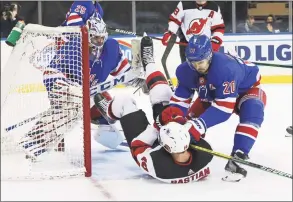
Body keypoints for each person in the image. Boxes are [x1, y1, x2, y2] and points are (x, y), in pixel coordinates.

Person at [94, 36, 213, 183]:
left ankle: (110, 112)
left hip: (145, 145)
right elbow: (192, 133)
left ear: (165, 147)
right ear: (187, 144)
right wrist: (179, 121)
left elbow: (138, 145)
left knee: (125, 102)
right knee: (162, 91)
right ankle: (149, 62)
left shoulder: (157, 165)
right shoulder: (205, 155)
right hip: (171, 139)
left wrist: (158, 125)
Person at [20, 16, 143, 159]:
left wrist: (140, 80)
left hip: (86, 91)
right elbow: (62, 74)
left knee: (103, 109)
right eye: (96, 38)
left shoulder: (111, 48)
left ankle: (106, 133)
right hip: (58, 79)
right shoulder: (75, 46)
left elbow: (125, 74)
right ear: (88, 36)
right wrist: (82, 97)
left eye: (101, 38)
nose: (99, 42)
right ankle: (34, 143)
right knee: (74, 108)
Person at [169, 34, 267, 182]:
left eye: (200, 62)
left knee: (253, 111)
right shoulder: (185, 71)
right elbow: (180, 101)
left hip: (245, 90)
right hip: (212, 93)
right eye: (193, 63)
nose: (197, 67)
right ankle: (183, 151)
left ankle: (238, 156)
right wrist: (172, 121)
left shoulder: (226, 68)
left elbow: (223, 109)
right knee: (185, 122)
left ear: (210, 56)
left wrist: (197, 126)